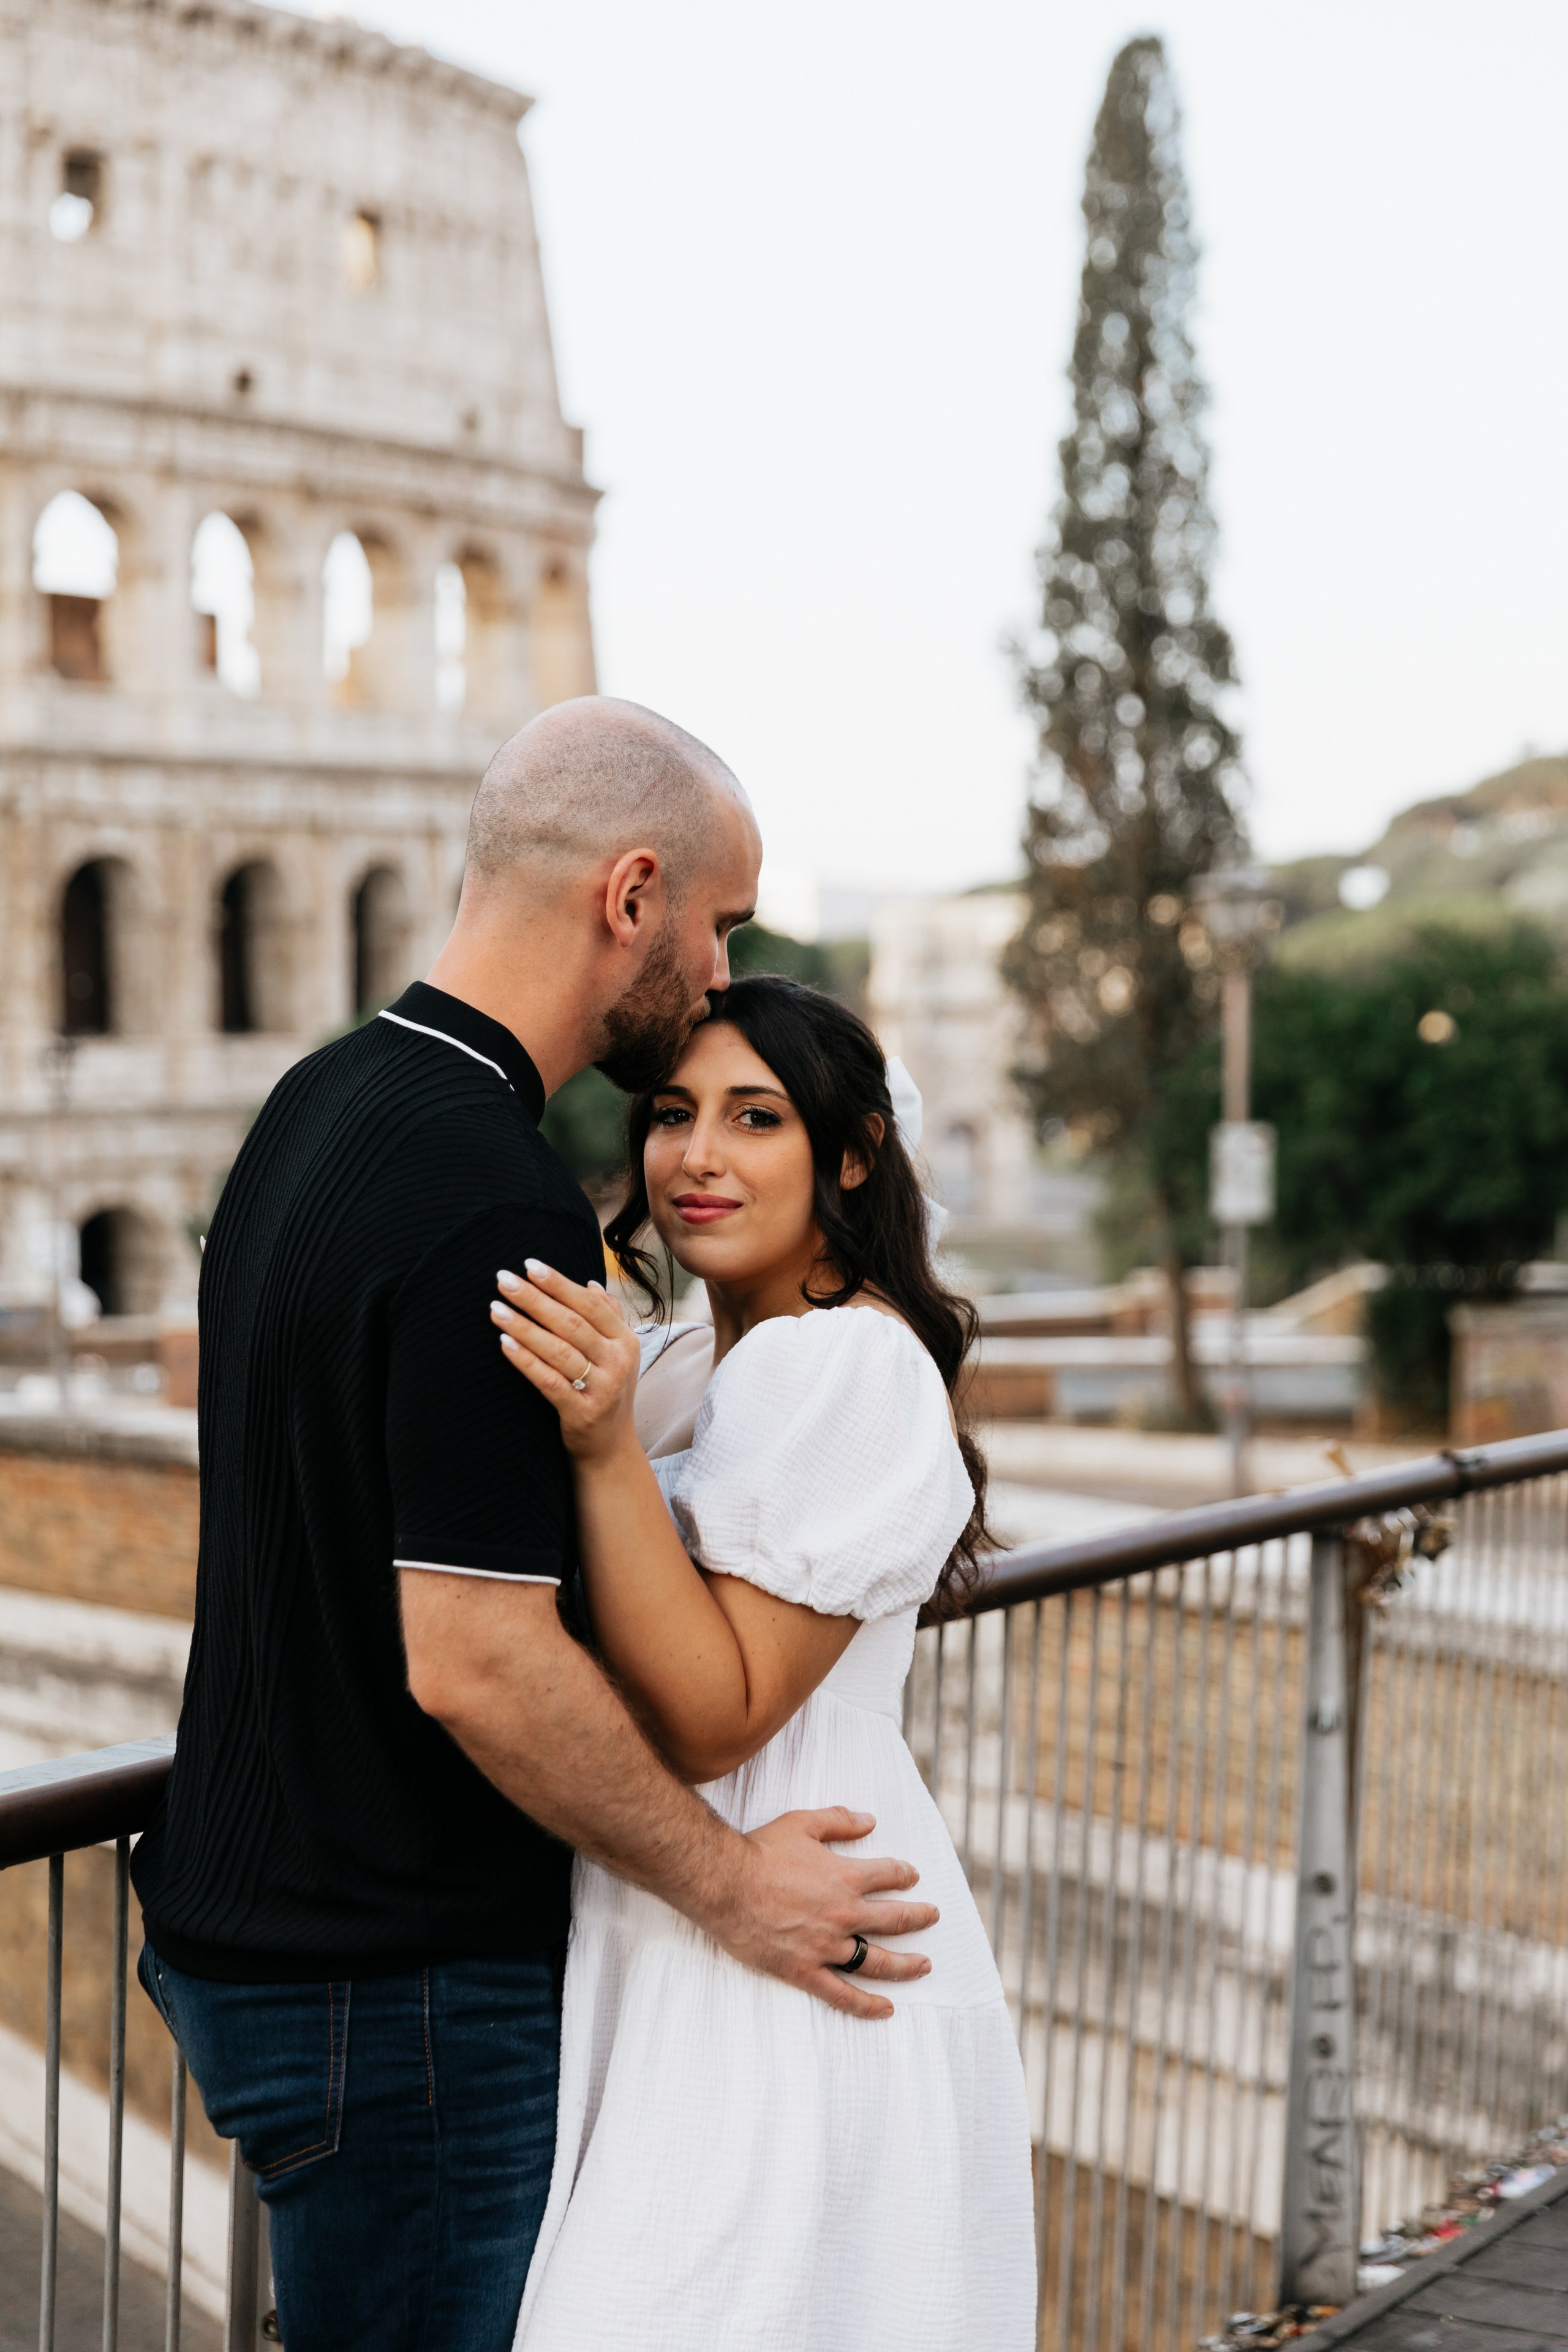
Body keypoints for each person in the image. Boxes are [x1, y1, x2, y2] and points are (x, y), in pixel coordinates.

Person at [130, 702, 941, 2352]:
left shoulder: (318, 1104)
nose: (720, 975)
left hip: (265, 1930)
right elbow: (477, 1657)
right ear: (631, 893)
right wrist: (731, 1884)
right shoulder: (492, 1192)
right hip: (395, 1975)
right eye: (719, 925)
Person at [491, 974, 1037, 2351]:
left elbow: (710, 1711)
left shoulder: (847, 1364)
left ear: (849, 1156)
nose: (697, 1157)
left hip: (794, 1923)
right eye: (673, 1115)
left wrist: (603, 1446)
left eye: (756, 1118)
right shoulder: (684, 1363)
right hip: (679, 1908)